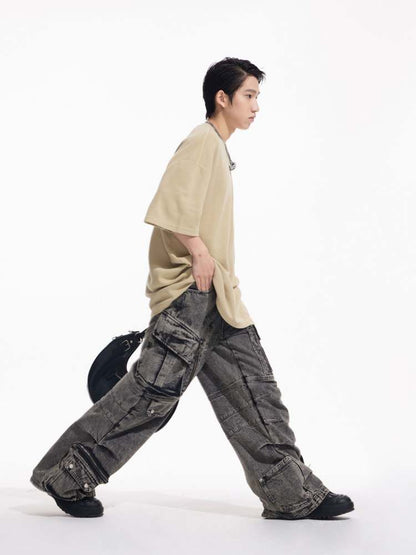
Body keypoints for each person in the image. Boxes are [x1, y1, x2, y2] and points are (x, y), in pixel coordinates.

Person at [30, 57, 354, 519]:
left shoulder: (217, 147)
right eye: (249, 95)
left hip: (220, 297)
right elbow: (169, 204)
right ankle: (66, 475)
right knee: (150, 396)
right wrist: (199, 252)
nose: (256, 106)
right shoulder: (201, 141)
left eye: (257, 96)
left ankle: (289, 493)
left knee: (255, 390)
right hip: (190, 295)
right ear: (222, 98)